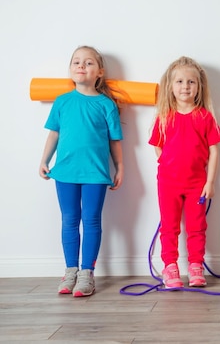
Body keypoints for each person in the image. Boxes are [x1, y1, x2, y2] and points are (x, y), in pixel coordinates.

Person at [39, 46, 124, 297]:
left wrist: (120, 168)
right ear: (70, 69)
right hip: (64, 172)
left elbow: (114, 141)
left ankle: (87, 273)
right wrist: (44, 160)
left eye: (88, 63)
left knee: (91, 220)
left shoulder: (105, 105)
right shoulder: (62, 102)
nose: (81, 66)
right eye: (76, 62)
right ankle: (70, 271)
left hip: (95, 174)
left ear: (99, 72)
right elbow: (54, 133)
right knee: (69, 220)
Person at [149, 56, 220, 289]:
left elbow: (214, 152)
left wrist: (210, 182)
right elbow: (157, 145)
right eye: (180, 81)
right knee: (169, 227)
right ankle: (170, 267)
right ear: (171, 87)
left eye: (191, 82)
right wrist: (168, 164)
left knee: (197, 226)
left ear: (199, 86)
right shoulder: (164, 116)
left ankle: (195, 266)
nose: (185, 86)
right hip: (168, 184)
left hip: (197, 184)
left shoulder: (205, 117)